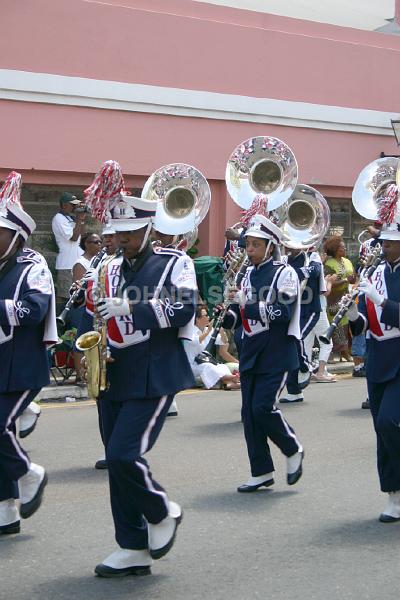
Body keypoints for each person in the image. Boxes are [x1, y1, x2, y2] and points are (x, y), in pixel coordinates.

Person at [78, 180, 197, 577]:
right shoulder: (107, 267)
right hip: (114, 371)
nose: (121, 241)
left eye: (129, 234)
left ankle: (162, 510)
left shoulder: (175, 262)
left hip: (154, 371)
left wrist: (131, 305)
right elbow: (100, 313)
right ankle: (132, 547)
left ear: (148, 229)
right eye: (117, 234)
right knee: (117, 464)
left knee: (123, 454)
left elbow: (183, 308)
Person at [220, 214, 304, 493]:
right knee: (249, 413)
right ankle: (261, 471)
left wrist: (249, 304)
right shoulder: (246, 274)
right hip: (251, 350)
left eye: (256, 245)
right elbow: (239, 317)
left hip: (277, 351)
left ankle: (292, 448)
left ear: (270, 246)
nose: (250, 250)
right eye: (248, 245)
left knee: (262, 407)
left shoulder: (285, 273)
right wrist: (227, 314)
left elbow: (283, 312)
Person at [0, 171, 56, 535]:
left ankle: (29, 473)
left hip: (22, 365)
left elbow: (34, 310)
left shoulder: (33, 264)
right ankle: (6, 511)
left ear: (16, 236)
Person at [347, 212, 400, 523]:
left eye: (392, 244)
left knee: (389, 421)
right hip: (379, 357)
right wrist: (354, 313)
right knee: (380, 427)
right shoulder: (375, 272)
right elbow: (367, 325)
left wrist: (381, 301)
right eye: (385, 243)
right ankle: (393, 494)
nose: (386, 248)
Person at [280, 247, 326, 402]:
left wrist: (293, 274)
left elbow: (315, 271)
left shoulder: (312, 256)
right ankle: (294, 391)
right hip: (293, 309)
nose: (288, 247)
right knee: (289, 344)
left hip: (309, 309)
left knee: (296, 338)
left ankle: (306, 366)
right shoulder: (284, 260)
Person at [183, 305, 240, 390]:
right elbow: (196, 341)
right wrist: (208, 331)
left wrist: (222, 332)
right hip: (191, 365)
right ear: (197, 319)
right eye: (205, 315)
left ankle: (228, 383)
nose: (208, 317)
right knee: (208, 367)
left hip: (204, 360)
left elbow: (223, 342)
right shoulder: (190, 330)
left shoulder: (208, 329)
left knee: (220, 366)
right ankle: (231, 378)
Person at [70, 232, 102, 384]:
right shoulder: (81, 262)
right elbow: (78, 287)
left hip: (97, 305)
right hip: (83, 306)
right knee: (80, 340)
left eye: (99, 242)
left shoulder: (100, 260)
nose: (98, 245)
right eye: (94, 242)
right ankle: (80, 375)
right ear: (86, 244)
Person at [323, 235, 356, 361]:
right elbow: (328, 282)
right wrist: (346, 280)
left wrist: (352, 279)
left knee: (345, 323)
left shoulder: (347, 261)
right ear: (335, 249)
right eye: (342, 247)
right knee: (336, 324)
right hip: (333, 297)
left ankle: (344, 351)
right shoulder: (329, 264)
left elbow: (352, 275)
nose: (345, 248)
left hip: (346, 296)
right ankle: (336, 352)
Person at [51, 192, 86, 311]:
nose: (75, 207)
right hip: (66, 264)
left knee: (78, 295)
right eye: (73, 205)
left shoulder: (70, 218)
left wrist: (81, 220)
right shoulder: (59, 218)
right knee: (66, 297)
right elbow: (73, 237)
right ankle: (63, 326)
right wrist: (79, 219)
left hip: (76, 262)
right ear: (65, 205)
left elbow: (82, 234)